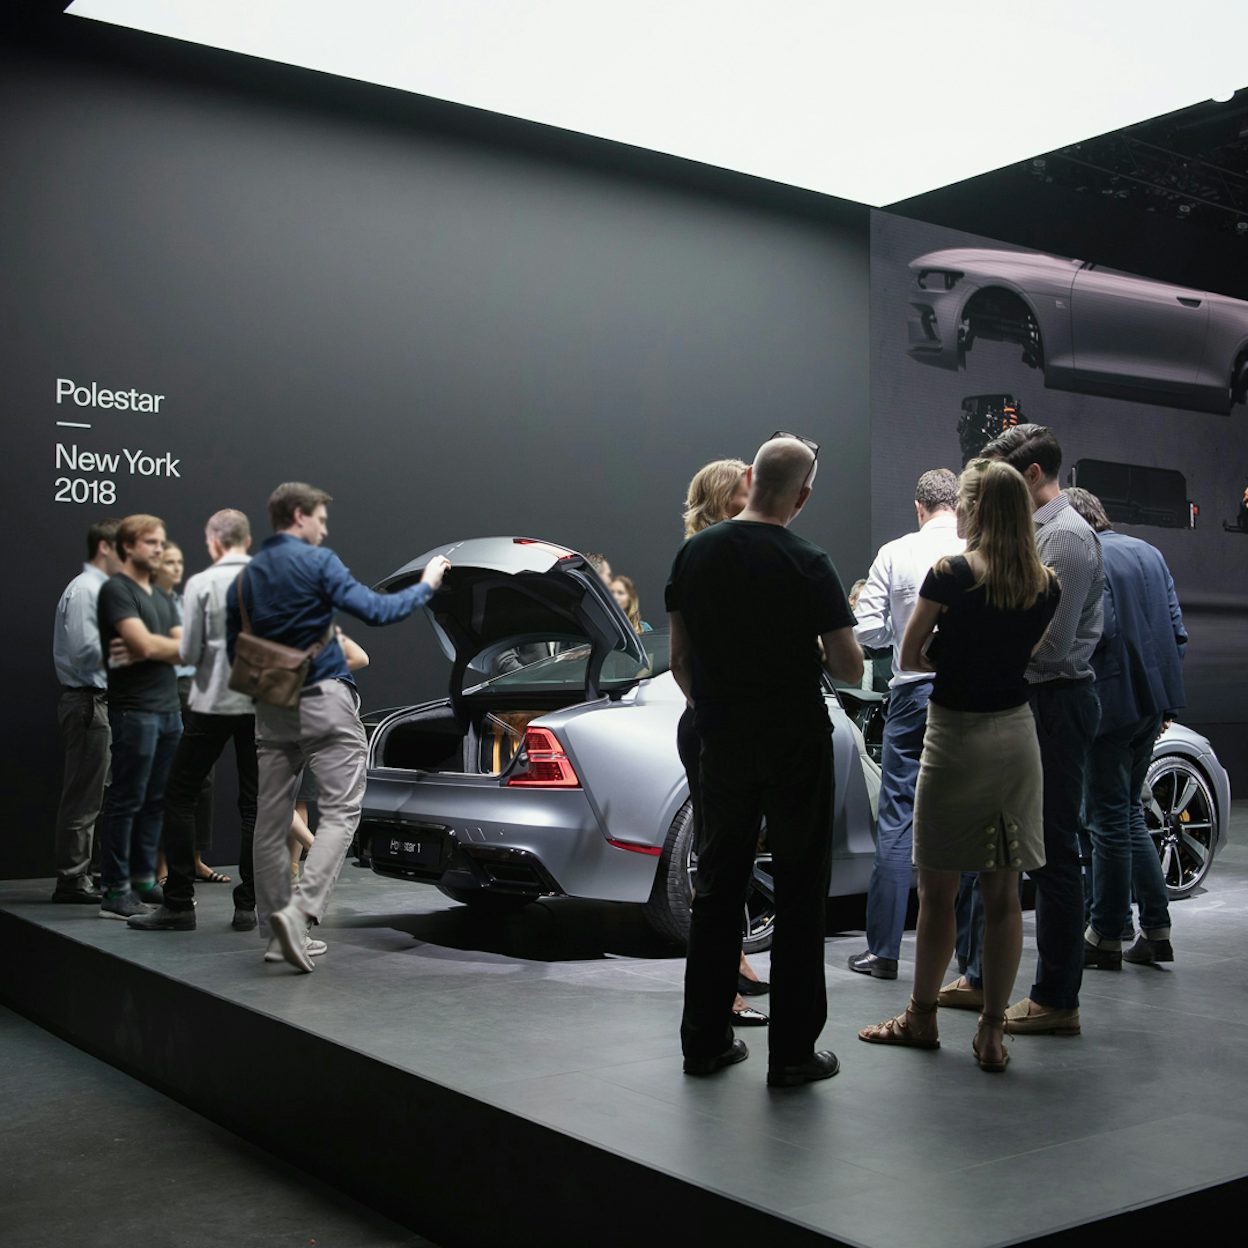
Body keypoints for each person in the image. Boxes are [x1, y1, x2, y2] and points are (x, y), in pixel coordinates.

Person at [668, 435, 862, 1084]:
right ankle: (793, 1055)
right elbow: (847, 664)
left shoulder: (694, 553)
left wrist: (721, 710)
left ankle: (705, 1043)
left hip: (723, 738)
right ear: (802, 496)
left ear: (750, 477)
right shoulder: (809, 561)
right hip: (795, 739)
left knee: (718, 886)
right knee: (802, 890)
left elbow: (680, 663)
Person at [859, 460, 1060, 1072]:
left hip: (954, 734)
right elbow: (1024, 655)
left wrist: (950, 649)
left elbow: (910, 653)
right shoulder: (1044, 582)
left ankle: (921, 1017)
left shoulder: (950, 572)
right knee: (1003, 893)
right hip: (1015, 737)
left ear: (972, 508)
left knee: (939, 890)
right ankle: (993, 1033)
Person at [226, 482, 450, 972]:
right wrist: (429, 584)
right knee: (343, 810)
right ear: (300, 515)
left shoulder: (244, 580)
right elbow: (378, 611)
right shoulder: (318, 563)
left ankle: (275, 934)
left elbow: (233, 650)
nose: (325, 528)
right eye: (321, 519)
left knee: (270, 815)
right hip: (323, 695)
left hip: (268, 704)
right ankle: (300, 913)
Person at [941, 424, 1103, 1037]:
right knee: (993, 846)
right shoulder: (1033, 536)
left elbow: (1051, 643)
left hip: (1053, 701)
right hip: (1027, 697)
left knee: (1054, 852)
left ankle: (1056, 998)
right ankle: (982, 975)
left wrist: (982, 648)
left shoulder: (1063, 538)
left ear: (1030, 476)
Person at [847, 468, 964, 980]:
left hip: (912, 692)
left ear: (920, 508)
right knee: (968, 820)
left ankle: (884, 952)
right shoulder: (977, 549)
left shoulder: (895, 552)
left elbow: (869, 630)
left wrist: (904, 628)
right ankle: (974, 963)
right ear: (957, 506)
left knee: (897, 818)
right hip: (967, 697)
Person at [1064, 488, 1186, 968]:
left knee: (1107, 820)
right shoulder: (1149, 553)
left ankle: (1105, 935)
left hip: (1108, 705)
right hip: (1151, 705)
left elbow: (1098, 633)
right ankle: (1156, 929)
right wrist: (1164, 703)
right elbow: (1177, 631)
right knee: (1129, 814)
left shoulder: (1091, 557)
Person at [125, 510, 259, 932]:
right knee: (255, 805)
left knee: (178, 793)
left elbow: (189, 651)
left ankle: (180, 902)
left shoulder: (202, 583)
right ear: (247, 540)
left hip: (216, 701)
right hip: (264, 704)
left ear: (215, 541)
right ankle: (249, 905)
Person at [675, 456, 770, 1025]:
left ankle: (733, 961)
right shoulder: (712, 560)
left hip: (713, 719)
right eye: (745, 490)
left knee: (728, 852)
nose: (755, 496)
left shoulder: (707, 555)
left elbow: (684, 660)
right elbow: (684, 660)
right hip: (717, 725)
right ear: (722, 499)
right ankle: (722, 992)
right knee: (718, 858)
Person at [95, 514, 184, 919]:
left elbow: (188, 649)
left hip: (168, 711)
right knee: (127, 799)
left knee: (157, 799)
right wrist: (148, 646)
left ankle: (143, 881)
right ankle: (115, 891)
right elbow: (144, 644)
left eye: (162, 542)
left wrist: (152, 646)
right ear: (128, 547)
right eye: (151, 542)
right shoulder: (117, 590)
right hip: (135, 710)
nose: (159, 549)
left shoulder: (162, 595)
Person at [51, 518, 121, 903]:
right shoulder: (85, 593)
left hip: (100, 701)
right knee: (84, 793)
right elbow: (85, 652)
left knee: (99, 792)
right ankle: (72, 880)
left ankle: (87, 875)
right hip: (88, 701)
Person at [152, 541, 223, 886]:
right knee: (171, 778)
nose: (176, 568)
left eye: (179, 562)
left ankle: (195, 858)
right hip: (164, 691)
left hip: (196, 690)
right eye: (169, 562)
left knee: (204, 780)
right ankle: (163, 866)